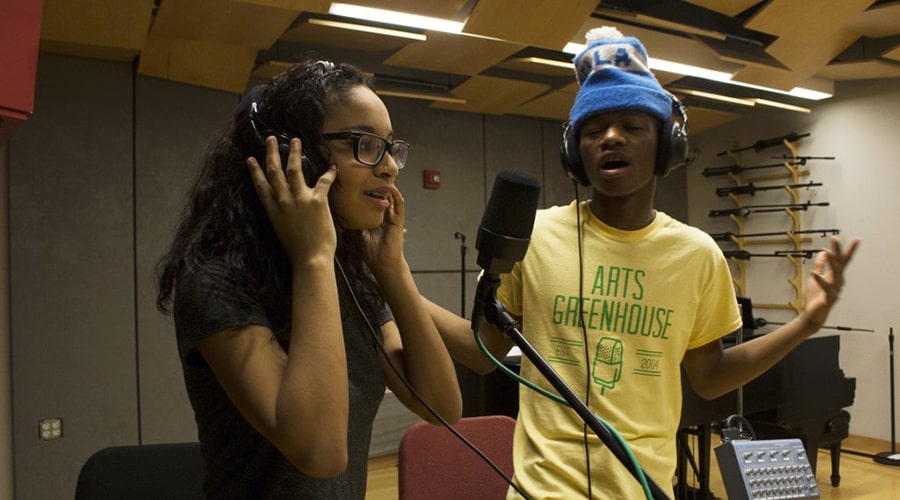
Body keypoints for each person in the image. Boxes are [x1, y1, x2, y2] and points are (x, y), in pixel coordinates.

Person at [426, 27, 860, 499]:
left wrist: (806, 323)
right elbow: (480, 352)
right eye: (594, 130)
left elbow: (710, 378)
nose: (611, 138)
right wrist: (387, 276)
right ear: (575, 153)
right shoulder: (535, 235)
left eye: (632, 127)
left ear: (666, 146)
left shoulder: (697, 255)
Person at [156, 59, 462, 499]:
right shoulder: (216, 282)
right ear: (291, 156)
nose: (390, 167)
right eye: (365, 143)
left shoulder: (351, 276)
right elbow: (320, 452)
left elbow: (443, 407)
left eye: (390, 148)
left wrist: (391, 269)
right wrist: (314, 259)